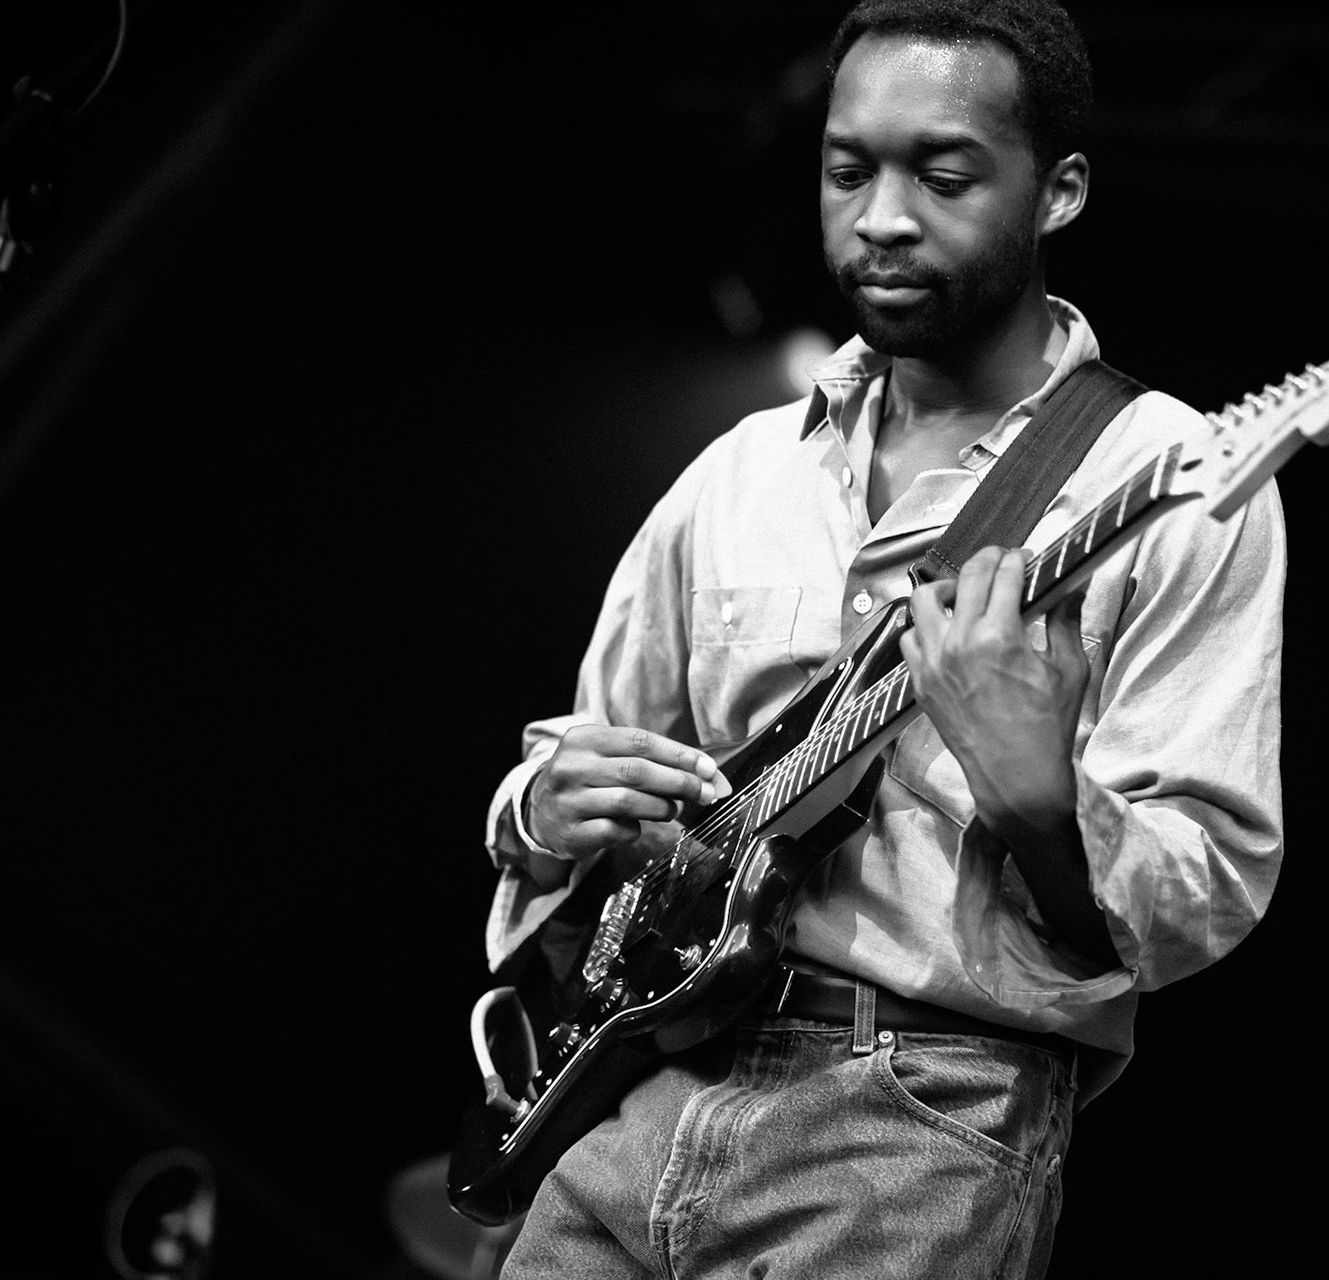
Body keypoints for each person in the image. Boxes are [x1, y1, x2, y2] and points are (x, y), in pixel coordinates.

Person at [478, 0, 1286, 1274]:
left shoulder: (1168, 472)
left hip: (918, 1122)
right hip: (641, 1093)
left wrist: (1041, 804)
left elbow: (1204, 886)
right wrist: (540, 808)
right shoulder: (741, 470)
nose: (884, 216)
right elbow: (581, 750)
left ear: (1060, 189)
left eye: (944, 173)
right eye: (849, 169)